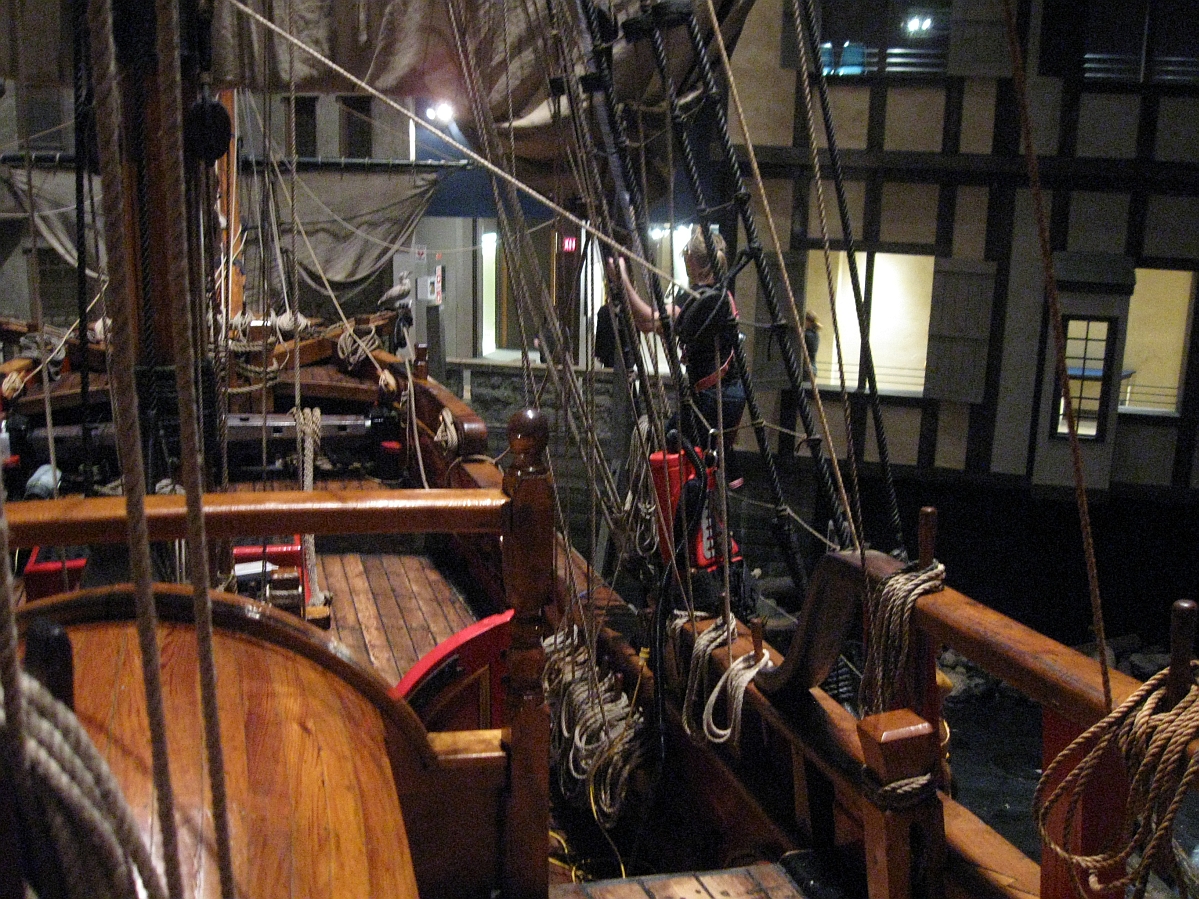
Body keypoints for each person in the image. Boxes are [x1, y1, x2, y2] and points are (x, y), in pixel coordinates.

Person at [607, 225, 746, 485]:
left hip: (710, 396)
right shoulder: (722, 295)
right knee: (707, 450)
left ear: (691, 260)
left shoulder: (697, 299)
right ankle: (718, 492)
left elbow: (646, 322)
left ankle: (685, 514)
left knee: (674, 439)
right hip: (728, 394)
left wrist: (623, 279)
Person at [803, 310, 821, 383]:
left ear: (808, 321)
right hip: (812, 368)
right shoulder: (815, 334)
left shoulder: (807, 335)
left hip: (806, 369)